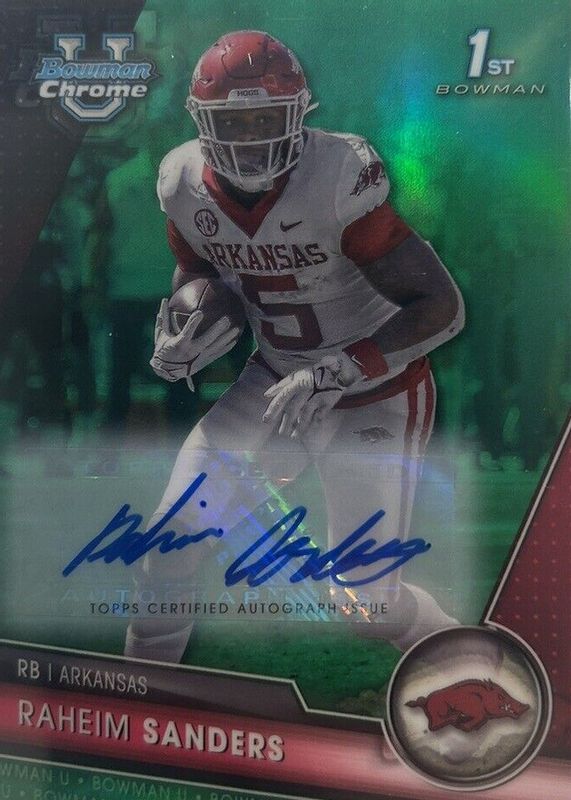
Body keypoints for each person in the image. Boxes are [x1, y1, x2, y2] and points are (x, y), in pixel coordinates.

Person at [124, 30, 465, 663]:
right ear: (203, 123)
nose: (251, 139)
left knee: (364, 604)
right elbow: (201, 278)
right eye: (236, 122)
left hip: (374, 392)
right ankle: (140, 697)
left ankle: (469, 658)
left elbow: (440, 306)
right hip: (274, 379)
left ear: (298, 114)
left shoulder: (335, 176)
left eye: (265, 119)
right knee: (168, 546)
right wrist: (186, 331)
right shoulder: (183, 183)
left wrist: (342, 369)